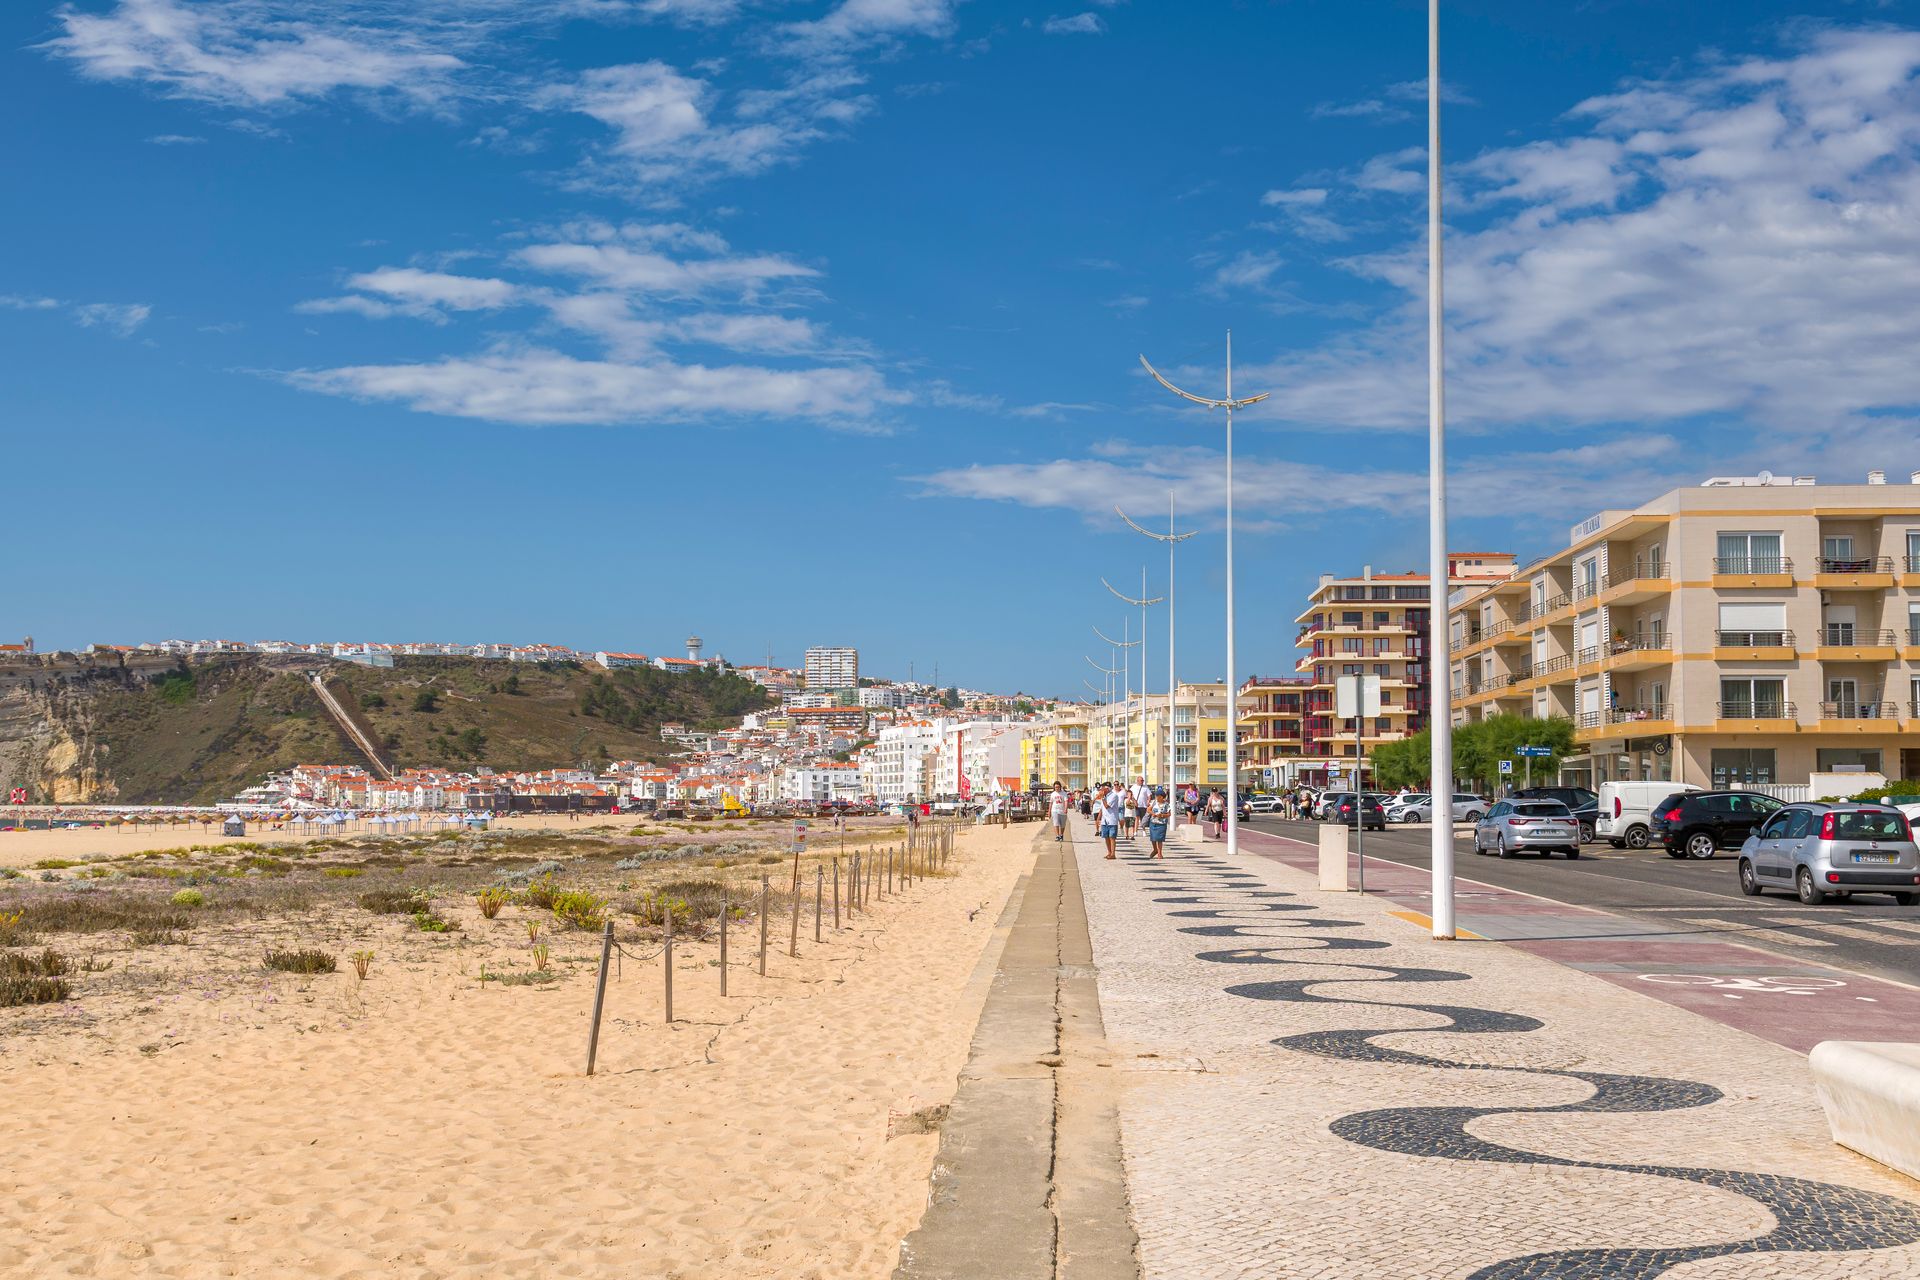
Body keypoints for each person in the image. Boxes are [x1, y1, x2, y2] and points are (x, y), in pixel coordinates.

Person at [1098, 783, 1126, 859]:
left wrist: (1103, 798)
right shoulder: (1105, 796)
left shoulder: (1114, 796)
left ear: (1107, 789)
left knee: (1112, 837)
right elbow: (1102, 808)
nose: (1101, 790)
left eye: (1103, 788)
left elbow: (1107, 806)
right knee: (1106, 837)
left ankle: (1113, 854)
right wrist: (1099, 818)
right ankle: (1109, 852)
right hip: (1105, 820)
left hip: (1112, 819)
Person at [1146, 787, 1171, 859]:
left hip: (1162, 824)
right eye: (1156, 796)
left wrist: (1162, 815)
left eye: (1158, 796)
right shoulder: (1154, 802)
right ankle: (1155, 849)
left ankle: (1160, 853)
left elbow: (1169, 814)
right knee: (1153, 838)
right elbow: (1148, 809)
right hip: (1153, 822)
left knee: (1160, 839)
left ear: (1162, 797)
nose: (1156, 797)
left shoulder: (1166, 804)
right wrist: (1152, 813)